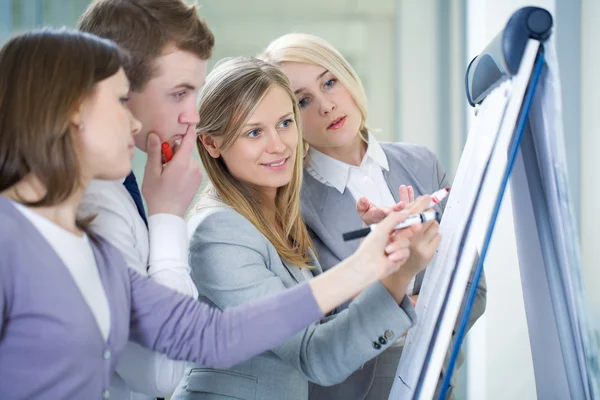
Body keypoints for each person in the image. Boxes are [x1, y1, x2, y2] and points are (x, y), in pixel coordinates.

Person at [0, 28, 423, 400]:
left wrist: (376, 265)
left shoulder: (97, 252)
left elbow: (211, 337)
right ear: (70, 113)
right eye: (119, 101)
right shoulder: (9, 242)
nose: (134, 123)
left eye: (284, 123)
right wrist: (372, 269)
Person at [171, 57, 438, 400]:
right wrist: (392, 271)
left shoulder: (279, 217)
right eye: (254, 132)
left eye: (284, 123)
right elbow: (315, 355)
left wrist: (397, 263)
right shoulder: (218, 233)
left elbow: (321, 332)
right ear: (211, 144)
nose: (278, 145)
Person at [261, 33, 487, 399]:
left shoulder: (421, 164)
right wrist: (407, 293)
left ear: (348, 78)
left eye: (329, 82)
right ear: (289, 121)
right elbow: (320, 328)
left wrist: (400, 311)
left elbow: (473, 287)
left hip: (436, 386)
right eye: (303, 101)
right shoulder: (288, 204)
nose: (326, 106)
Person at [76, 1, 213, 397]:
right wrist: (168, 215)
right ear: (117, 88)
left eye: (195, 92)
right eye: (179, 94)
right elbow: (165, 373)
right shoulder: (91, 202)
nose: (194, 116)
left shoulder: (119, 182)